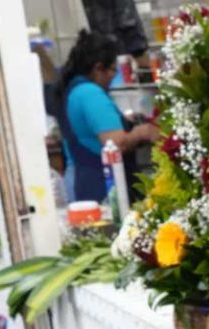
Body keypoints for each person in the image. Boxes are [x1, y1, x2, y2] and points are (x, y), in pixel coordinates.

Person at [57, 30, 160, 203]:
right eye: (113, 70)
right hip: (103, 185)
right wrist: (143, 132)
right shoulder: (90, 93)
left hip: (85, 181)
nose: (113, 77)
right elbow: (115, 143)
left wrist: (127, 123)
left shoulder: (75, 90)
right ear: (98, 68)